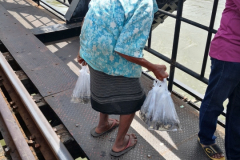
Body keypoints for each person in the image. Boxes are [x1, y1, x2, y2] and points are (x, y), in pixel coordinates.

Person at [77, 0, 168, 157]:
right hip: (115, 59)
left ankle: (103, 125)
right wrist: (154, 68)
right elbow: (127, 50)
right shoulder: (143, 5)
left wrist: (83, 49)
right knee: (131, 99)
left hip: (92, 51)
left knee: (101, 86)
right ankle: (120, 143)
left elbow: (87, 19)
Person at [198, 0, 240, 160]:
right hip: (229, 54)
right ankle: (206, 138)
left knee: (238, 109)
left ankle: (235, 153)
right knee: (214, 101)